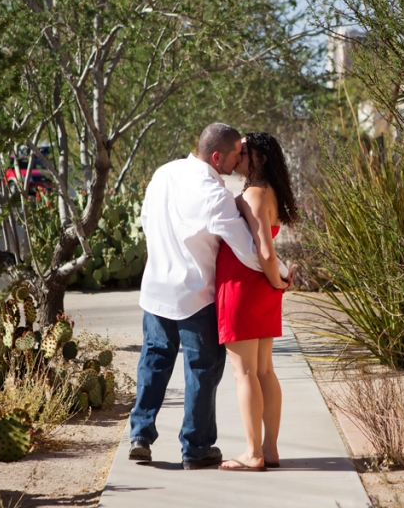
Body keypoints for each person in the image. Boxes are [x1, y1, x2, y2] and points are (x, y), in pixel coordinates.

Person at [128, 123, 290, 470]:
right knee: (202, 369)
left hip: (157, 287)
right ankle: (196, 448)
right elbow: (248, 250)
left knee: (154, 363)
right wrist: (281, 275)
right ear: (217, 156)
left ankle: (140, 435)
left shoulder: (164, 172)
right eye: (235, 155)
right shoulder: (215, 194)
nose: (236, 162)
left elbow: (145, 218)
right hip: (196, 294)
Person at [215, 132, 299, 472]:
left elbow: (264, 249)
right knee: (263, 370)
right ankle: (270, 449)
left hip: (245, 287)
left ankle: (252, 454)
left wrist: (275, 277)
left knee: (245, 373)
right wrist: (276, 281)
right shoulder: (271, 193)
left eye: (243, 152)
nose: (237, 157)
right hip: (262, 289)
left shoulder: (252, 194)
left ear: (259, 159)